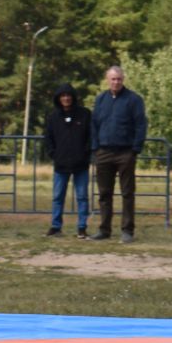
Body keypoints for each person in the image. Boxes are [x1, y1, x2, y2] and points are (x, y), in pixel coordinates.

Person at [90, 66, 146, 242]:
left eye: (119, 79)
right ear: (107, 80)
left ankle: (127, 231)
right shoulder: (100, 100)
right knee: (104, 194)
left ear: (123, 79)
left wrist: (135, 149)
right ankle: (104, 229)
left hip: (125, 153)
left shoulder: (134, 100)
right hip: (104, 152)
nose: (116, 82)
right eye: (113, 79)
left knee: (127, 193)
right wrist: (95, 148)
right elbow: (94, 125)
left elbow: (140, 125)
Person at [43, 83, 93, 238]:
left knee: (82, 197)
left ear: (73, 97)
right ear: (58, 98)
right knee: (58, 197)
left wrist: (86, 154)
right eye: (63, 96)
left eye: (68, 95)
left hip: (81, 164)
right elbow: (48, 138)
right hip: (61, 165)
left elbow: (91, 137)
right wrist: (54, 154)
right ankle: (56, 226)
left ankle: (82, 227)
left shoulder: (85, 114)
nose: (66, 98)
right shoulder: (52, 118)